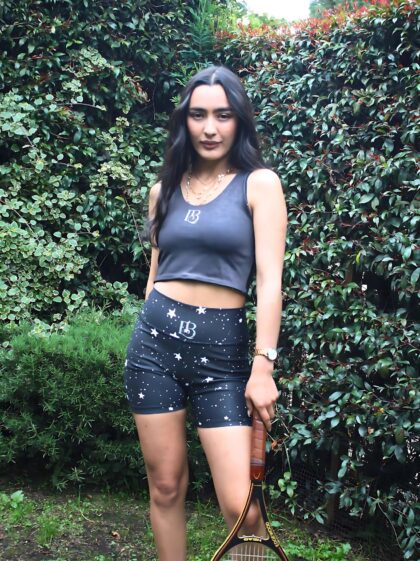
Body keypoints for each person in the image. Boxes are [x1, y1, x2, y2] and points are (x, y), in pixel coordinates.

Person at [124, 65, 288, 561]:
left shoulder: (260, 185)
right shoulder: (163, 191)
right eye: (198, 115)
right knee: (165, 486)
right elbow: (156, 274)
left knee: (243, 509)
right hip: (154, 348)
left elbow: (271, 281)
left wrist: (263, 365)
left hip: (222, 357)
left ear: (239, 121)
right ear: (185, 121)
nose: (210, 128)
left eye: (223, 115)